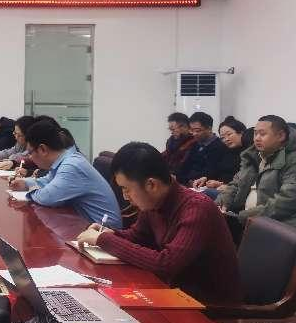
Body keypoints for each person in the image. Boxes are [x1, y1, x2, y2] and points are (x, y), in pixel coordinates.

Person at [77, 142, 241, 305]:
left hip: (209, 307)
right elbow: (137, 236)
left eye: (126, 189)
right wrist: (108, 233)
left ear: (151, 185)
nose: (125, 196)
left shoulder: (197, 208)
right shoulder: (154, 202)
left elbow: (166, 264)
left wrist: (103, 239)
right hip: (174, 293)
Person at [10, 120, 121, 228]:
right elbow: (47, 181)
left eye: (30, 152)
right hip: (86, 224)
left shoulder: (72, 166)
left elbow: (48, 197)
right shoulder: (65, 160)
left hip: (104, 231)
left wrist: (29, 193)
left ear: (43, 149)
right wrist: (25, 183)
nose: (30, 157)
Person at [216, 115, 296, 233]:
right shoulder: (254, 156)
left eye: (262, 134)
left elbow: (290, 200)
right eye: (255, 134)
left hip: (279, 223)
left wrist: (245, 216)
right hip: (244, 217)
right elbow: (236, 183)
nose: (256, 138)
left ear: (281, 136)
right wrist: (222, 202)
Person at [191, 117, 249, 198]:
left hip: (234, 192)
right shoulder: (224, 150)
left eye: (229, 134)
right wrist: (206, 179)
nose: (226, 139)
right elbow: (216, 170)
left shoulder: (248, 153)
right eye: (222, 137)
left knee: (202, 195)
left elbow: (244, 180)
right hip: (218, 188)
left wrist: (222, 184)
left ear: (241, 133)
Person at [176, 112, 228, 185]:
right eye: (191, 130)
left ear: (209, 129)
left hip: (203, 184)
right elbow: (185, 165)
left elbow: (211, 171)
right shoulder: (195, 144)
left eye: (197, 130)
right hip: (188, 182)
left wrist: (188, 180)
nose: (194, 134)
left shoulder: (219, 146)